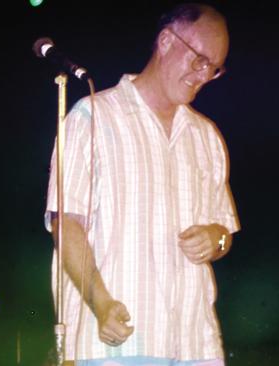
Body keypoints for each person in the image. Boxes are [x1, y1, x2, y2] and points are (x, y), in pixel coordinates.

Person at [44, 3, 240, 366]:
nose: (203, 74)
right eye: (198, 60)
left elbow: (224, 234)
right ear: (166, 41)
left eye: (213, 69)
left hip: (195, 342)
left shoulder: (206, 136)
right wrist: (101, 303)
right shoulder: (92, 118)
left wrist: (216, 238)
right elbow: (66, 225)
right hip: (117, 343)